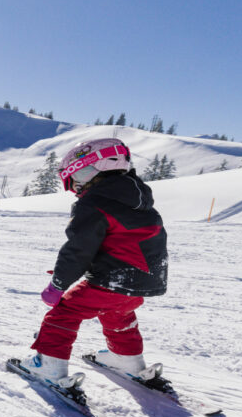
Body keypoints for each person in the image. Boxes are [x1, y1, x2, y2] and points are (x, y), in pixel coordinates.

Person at [19, 138, 168, 391]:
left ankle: (49, 364)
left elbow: (78, 250)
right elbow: (122, 243)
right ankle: (128, 360)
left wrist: (58, 284)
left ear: (93, 170)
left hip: (112, 280)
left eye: (77, 176)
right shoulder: (139, 201)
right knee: (118, 312)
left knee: (64, 313)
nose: (74, 186)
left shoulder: (93, 203)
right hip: (143, 282)